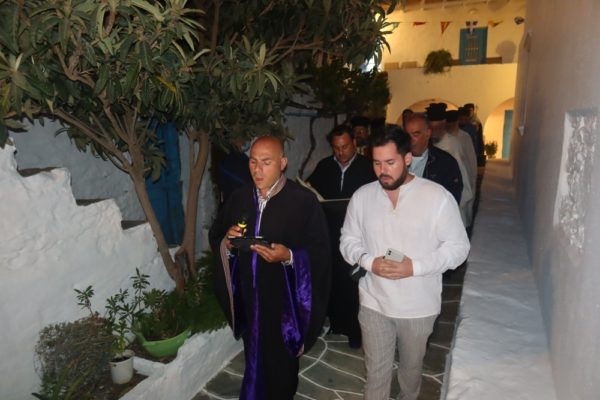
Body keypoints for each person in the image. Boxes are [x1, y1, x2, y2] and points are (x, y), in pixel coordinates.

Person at [339, 127, 470, 400]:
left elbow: (459, 248)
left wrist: (415, 267)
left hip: (418, 307)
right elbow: (348, 240)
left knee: (410, 373)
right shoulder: (363, 196)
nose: (382, 171)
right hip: (374, 302)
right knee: (376, 374)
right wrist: (368, 262)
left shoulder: (437, 197)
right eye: (377, 163)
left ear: (407, 158)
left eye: (390, 162)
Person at [209, 136, 331, 399]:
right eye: (253, 161)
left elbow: (321, 252)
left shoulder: (303, 202)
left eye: (266, 162)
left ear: (283, 163)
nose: (257, 170)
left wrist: (289, 256)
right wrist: (228, 242)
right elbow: (217, 235)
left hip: (283, 303)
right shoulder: (239, 198)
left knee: (281, 364)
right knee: (253, 356)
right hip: (249, 298)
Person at [307, 125, 376, 348]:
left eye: (345, 147)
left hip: (358, 235)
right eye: (336, 148)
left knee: (353, 283)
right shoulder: (325, 166)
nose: (340, 152)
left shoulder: (368, 167)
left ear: (354, 143)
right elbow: (311, 191)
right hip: (330, 232)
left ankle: (355, 331)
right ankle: (336, 324)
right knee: (333, 280)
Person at [427, 103, 474, 227]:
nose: (434, 131)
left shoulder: (453, 145)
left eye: (437, 127)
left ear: (443, 125)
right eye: (431, 128)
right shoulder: (426, 146)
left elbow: (463, 177)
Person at [404, 113, 463, 204]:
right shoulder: (397, 160)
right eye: (407, 135)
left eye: (416, 134)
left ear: (428, 133)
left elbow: (451, 200)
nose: (410, 140)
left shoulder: (446, 163)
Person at [446, 110, 477, 219]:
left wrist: (472, 178)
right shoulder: (443, 138)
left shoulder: (465, 137)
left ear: (456, 123)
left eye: (452, 123)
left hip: (463, 173)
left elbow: (471, 159)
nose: (450, 126)